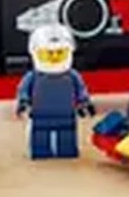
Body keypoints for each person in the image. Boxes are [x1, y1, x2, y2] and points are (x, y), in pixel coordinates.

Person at [14, 23, 94, 160]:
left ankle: (66, 150)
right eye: (48, 54)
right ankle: (41, 151)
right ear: (36, 53)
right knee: (40, 135)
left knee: (67, 135)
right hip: (40, 115)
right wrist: (23, 103)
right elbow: (23, 90)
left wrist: (84, 103)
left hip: (66, 115)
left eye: (60, 53)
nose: (54, 57)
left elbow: (81, 90)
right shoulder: (34, 76)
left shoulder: (72, 75)